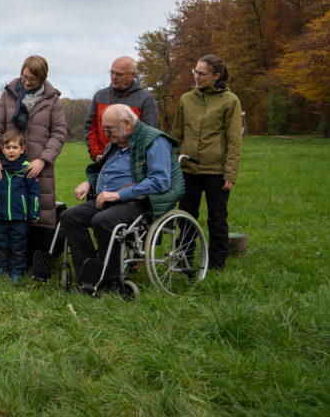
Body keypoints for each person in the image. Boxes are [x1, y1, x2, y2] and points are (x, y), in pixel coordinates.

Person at [60, 104, 184, 294]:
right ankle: (90, 275)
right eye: (104, 129)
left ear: (127, 123)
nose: (106, 134)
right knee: (69, 216)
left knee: (102, 221)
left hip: (139, 201)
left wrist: (119, 194)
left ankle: (109, 282)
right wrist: (89, 184)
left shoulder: (154, 141)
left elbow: (160, 182)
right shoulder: (117, 143)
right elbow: (108, 171)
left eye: (109, 129)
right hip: (107, 199)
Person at [170, 54, 242, 271]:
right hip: (188, 169)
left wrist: (230, 173)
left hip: (216, 171)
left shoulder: (230, 101)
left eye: (202, 73)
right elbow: (176, 134)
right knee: (185, 216)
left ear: (216, 76)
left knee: (217, 218)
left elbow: (234, 140)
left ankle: (217, 263)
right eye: (195, 72)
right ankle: (184, 257)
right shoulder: (186, 99)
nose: (197, 77)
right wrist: (172, 163)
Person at [0, 55, 67, 234]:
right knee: (7, 211)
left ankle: (37, 259)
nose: (27, 82)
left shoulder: (52, 100)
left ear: (42, 77)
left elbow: (59, 133)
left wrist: (43, 159)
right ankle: (4, 257)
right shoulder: (8, 94)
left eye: (32, 78)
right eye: (24, 77)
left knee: (37, 213)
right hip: (8, 165)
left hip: (37, 166)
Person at [0, 129, 40, 282]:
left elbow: (34, 194)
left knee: (18, 244)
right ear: (2, 149)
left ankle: (17, 270)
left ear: (22, 149)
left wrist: (34, 213)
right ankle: (1, 268)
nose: (11, 151)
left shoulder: (27, 169)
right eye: (8, 147)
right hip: (0, 216)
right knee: (1, 243)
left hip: (19, 217)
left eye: (15, 147)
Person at [84, 56, 160, 162]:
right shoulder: (100, 96)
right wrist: (96, 154)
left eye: (119, 74)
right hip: (103, 161)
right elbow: (90, 128)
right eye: (112, 72)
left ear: (132, 75)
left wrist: (136, 159)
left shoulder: (145, 98)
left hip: (132, 163)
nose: (114, 77)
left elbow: (150, 134)